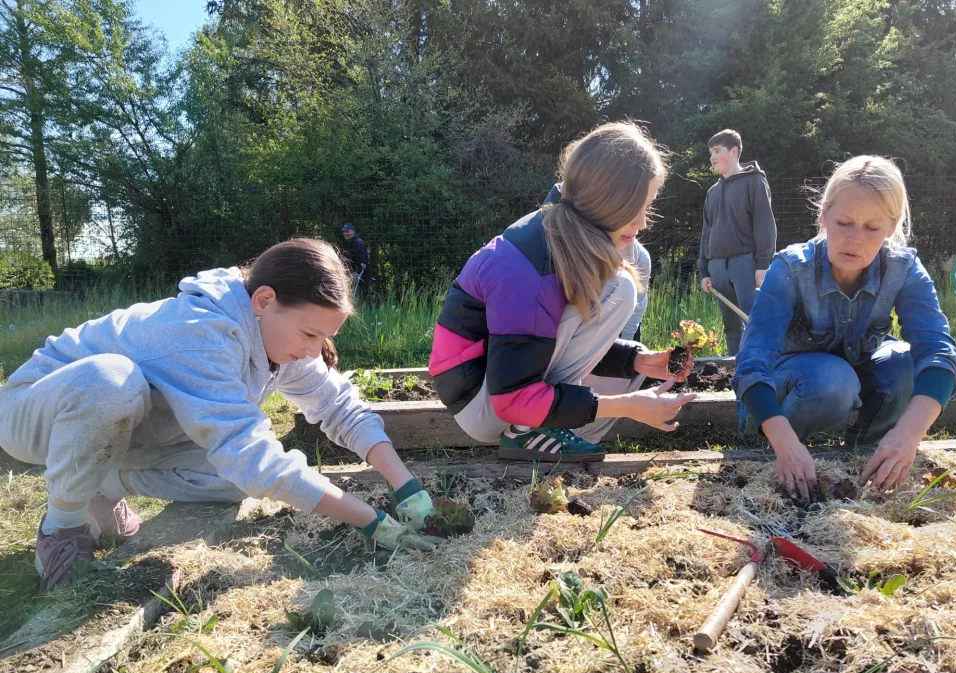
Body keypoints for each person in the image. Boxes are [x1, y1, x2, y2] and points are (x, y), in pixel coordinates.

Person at [0, 239, 442, 593]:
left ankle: (103, 487)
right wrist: (371, 522)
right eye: (309, 334)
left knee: (232, 481)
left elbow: (338, 405)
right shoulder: (200, 332)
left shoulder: (277, 334)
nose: (313, 351)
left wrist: (406, 488)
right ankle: (61, 529)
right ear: (264, 300)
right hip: (37, 411)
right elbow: (249, 452)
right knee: (112, 380)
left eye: (322, 338)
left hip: (127, 428)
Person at [429, 121, 697, 463]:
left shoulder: (561, 237)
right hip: (478, 401)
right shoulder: (531, 266)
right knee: (620, 287)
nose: (643, 222)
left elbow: (544, 345)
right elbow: (511, 395)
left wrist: (635, 360)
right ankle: (529, 434)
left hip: (493, 390)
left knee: (624, 307)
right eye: (639, 207)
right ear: (608, 200)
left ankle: (555, 436)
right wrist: (627, 406)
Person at [731, 156, 956, 499]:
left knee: (904, 365)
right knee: (833, 379)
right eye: (844, 223)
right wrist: (783, 441)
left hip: (856, 370)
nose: (855, 239)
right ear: (824, 215)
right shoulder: (791, 269)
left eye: (872, 228)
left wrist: (908, 435)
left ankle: (870, 458)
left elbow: (940, 353)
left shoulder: (903, 268)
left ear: (891, 227)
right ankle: (780, 454)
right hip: (786, 388)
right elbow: (751, 363)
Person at [698, 129, 777, 355]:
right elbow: (706, 232)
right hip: (717, 267)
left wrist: (763, 264)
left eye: (717, 151)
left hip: (745, 264)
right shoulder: (712, 192)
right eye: (710, 153)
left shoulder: (754, 182)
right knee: (731, 327)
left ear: (734, 152)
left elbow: (764, 223)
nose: (712, 157)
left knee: (754, 322)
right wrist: (704, 270)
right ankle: (733, 368)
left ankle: (760, 367)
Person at [544, 183, 651, 342]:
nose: (643, 224)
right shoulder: (562, 249)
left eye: (647, 208)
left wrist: (626, 347)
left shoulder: (640, 258)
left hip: (619, 332)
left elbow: (637, 310)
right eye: (631, 209)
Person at [341, 223, 371, 294]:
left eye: (347, 231)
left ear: (353, 231)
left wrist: (355, 273)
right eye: (344, 231)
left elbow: (363, 262)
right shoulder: (352, 242)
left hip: (361, 276)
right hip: (357, 274)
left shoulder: (357, 243)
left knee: (357, 295)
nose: (345, 233)